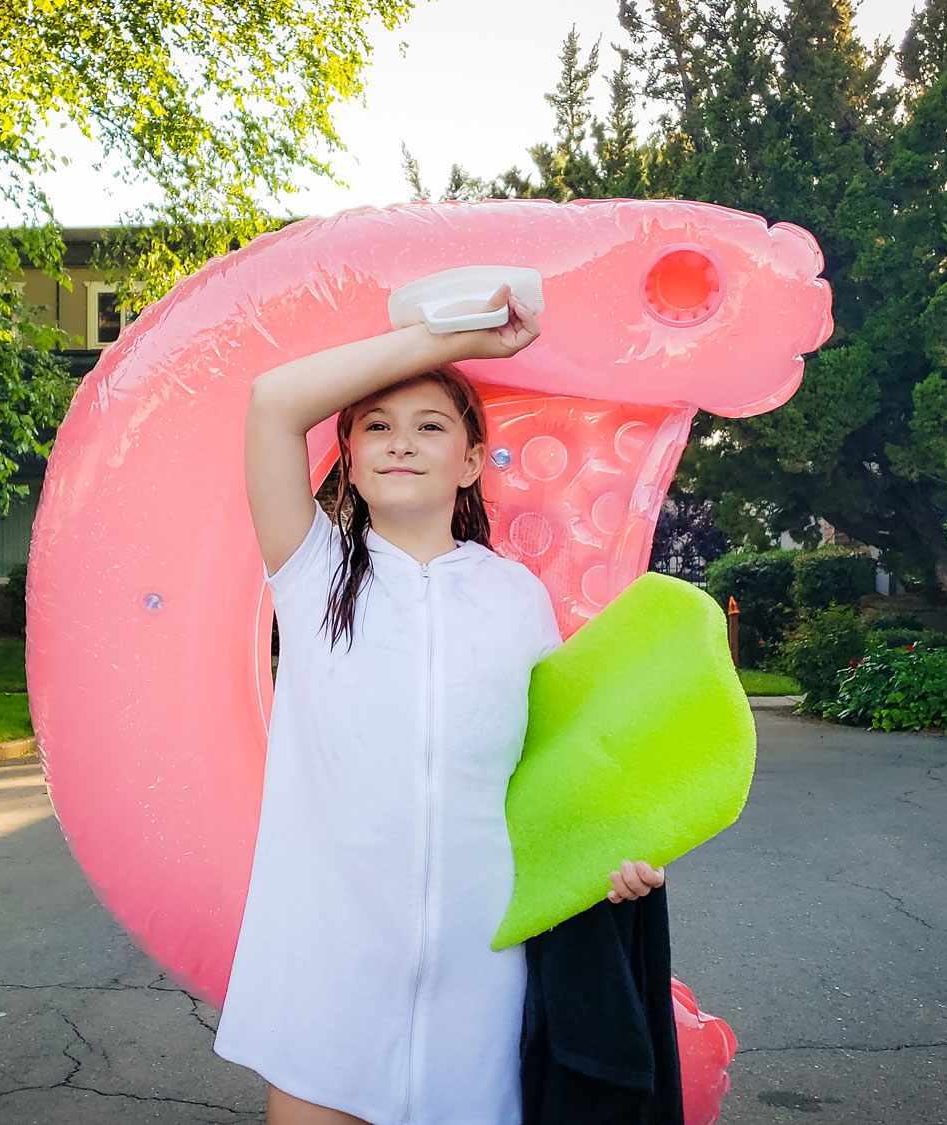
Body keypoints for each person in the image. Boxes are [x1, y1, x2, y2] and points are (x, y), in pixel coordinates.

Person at [213, 285, 668, 1125]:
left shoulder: (518, 599)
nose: (400, 443)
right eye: (375, 426)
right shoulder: (311, 574)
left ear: (470, 461)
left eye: (431, 425)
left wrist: (618, 859)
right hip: (327, 971)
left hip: (478, 981)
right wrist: (450, 340)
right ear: (346, 457)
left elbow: (550, 773)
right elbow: (273, 403)